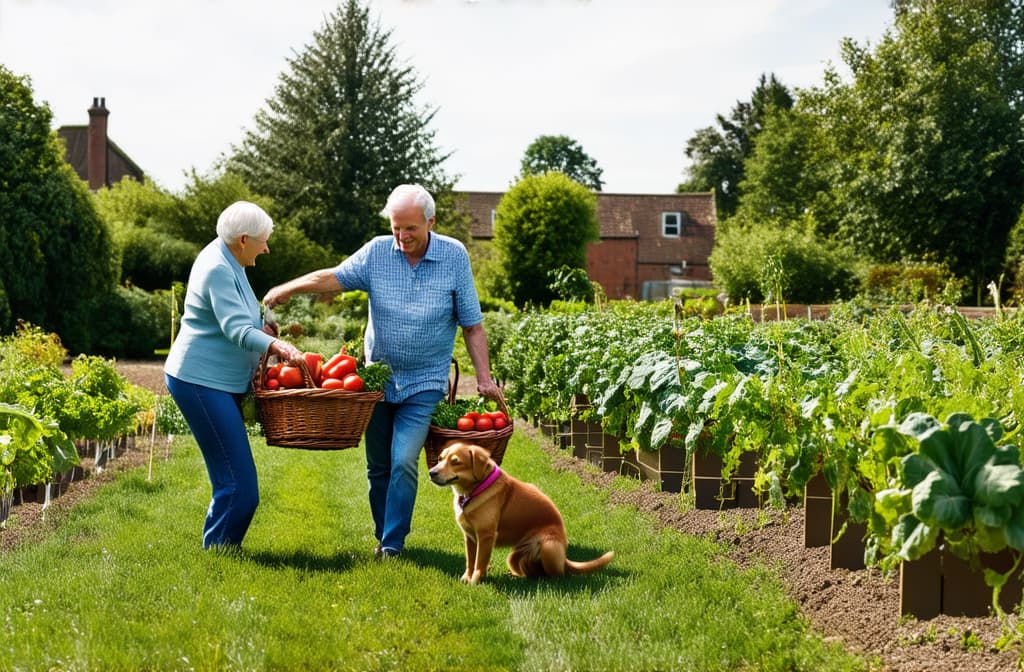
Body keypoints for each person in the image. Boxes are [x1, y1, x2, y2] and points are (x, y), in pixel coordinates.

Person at [263, 183, 501, 559]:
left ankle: (392, 544)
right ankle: (384, 533)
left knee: (404, 458)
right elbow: (333, 276)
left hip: (425, 380)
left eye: (411, 229)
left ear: (430, 222)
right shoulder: (377, 252)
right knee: (378, 465)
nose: (402, 237)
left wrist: (484, 377)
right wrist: (288, 288)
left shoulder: (454, 256)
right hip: (378, 380)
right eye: (396, 228)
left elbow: (472, 325)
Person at [164, 200, 304, 550]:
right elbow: (236, 330)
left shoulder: (233, 261)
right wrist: (279, 348)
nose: (267, 247)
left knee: (233, 479)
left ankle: (221, 550)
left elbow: (245, 318)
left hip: (218, 381)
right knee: (239, 485)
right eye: (264, 240)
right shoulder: (217, 268)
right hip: (199, 381)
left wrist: (266, 327)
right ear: (243, 239)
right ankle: (220, 553)